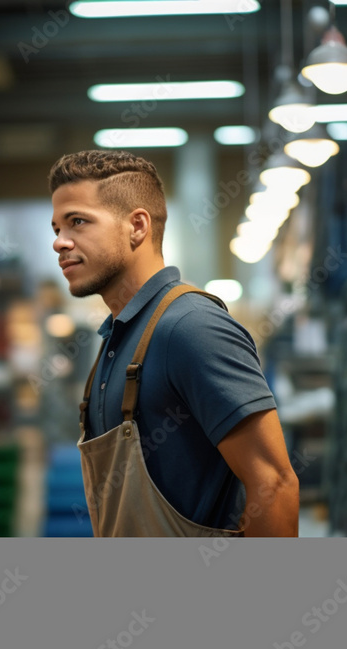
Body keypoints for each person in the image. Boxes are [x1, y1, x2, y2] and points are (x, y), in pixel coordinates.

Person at [48, 149, 299, 537]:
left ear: (137, 226)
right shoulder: (118, 337)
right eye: (56, 229)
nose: (60, 243)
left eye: (77, 222)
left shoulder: (190, 328)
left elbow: (275, 484)